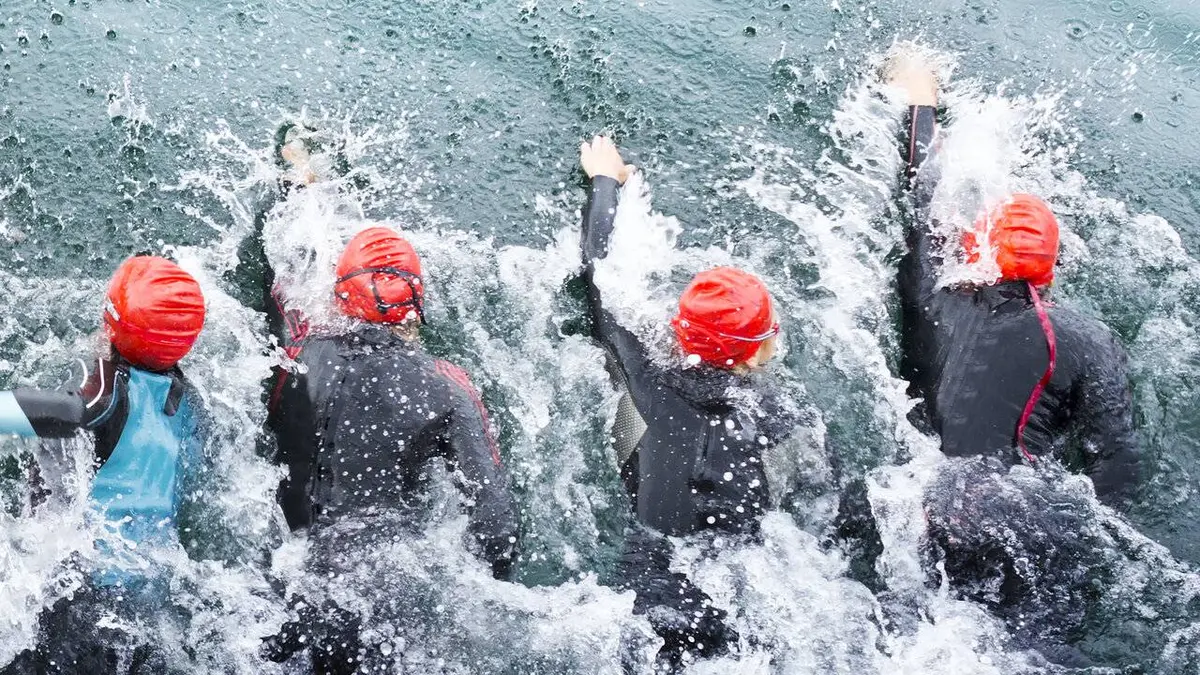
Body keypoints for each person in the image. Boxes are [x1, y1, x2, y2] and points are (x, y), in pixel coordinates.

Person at [254, 130, 520, 674]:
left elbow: (277, 277)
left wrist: (298, 188)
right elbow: (496, 529)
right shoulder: (447, 386)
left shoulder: (299, 352)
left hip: (290, 572)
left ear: (338, 295)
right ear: (418, 306)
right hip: (387, 594)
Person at [578, 136, 796, 667]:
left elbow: (597, 278)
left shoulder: (646, 375)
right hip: (738, 596)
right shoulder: (779, 416)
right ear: (759, 349)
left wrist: (605, 181)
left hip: (645, 589)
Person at [889, 54, 1138, 506]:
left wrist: (920, 95)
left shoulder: (931, 294)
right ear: (1051, 271)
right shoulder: (1088, 339)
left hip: (912, 497)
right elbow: (1119, 462)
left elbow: (919, 187)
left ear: (974, 251)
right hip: (1020, 510)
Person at [0, 255, 208, 675]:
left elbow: (68, 412)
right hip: (147, 604)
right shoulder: (189, 403)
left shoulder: (105, 388)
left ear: (112, 323)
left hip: (79, 597)